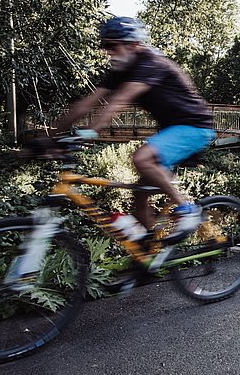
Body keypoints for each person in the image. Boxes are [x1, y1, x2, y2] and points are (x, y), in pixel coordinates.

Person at [53, 16, 215, 239]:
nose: (107, 51)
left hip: (195, 127)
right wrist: (50, 136)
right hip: (172, 129)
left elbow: (118, 101)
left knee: (141, 158)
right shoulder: (122, 70)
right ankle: (151, 255)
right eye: (104, 45)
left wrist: (90, 131)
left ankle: (187, 209)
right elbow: (88, 102)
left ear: (133, 45)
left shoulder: (151, 64)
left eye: (112, 45)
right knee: (139, 197)